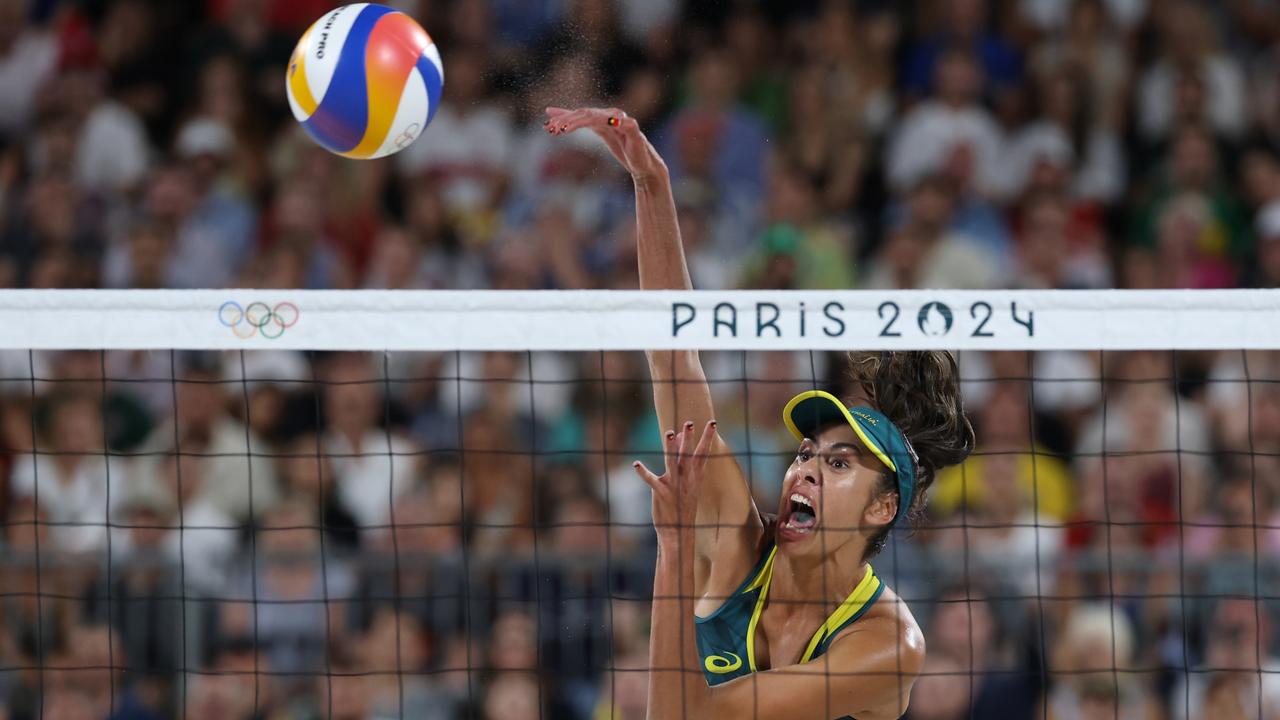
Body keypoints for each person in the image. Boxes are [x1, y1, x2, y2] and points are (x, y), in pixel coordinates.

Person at [547, 107, 975, 719]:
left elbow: (686, 717)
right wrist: (651, 184)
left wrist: (673, 550)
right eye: (806, 454)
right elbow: (675, 357)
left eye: (838, 463)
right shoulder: (735, 536)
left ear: (881, 507)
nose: (804, 468)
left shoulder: (888, 644)